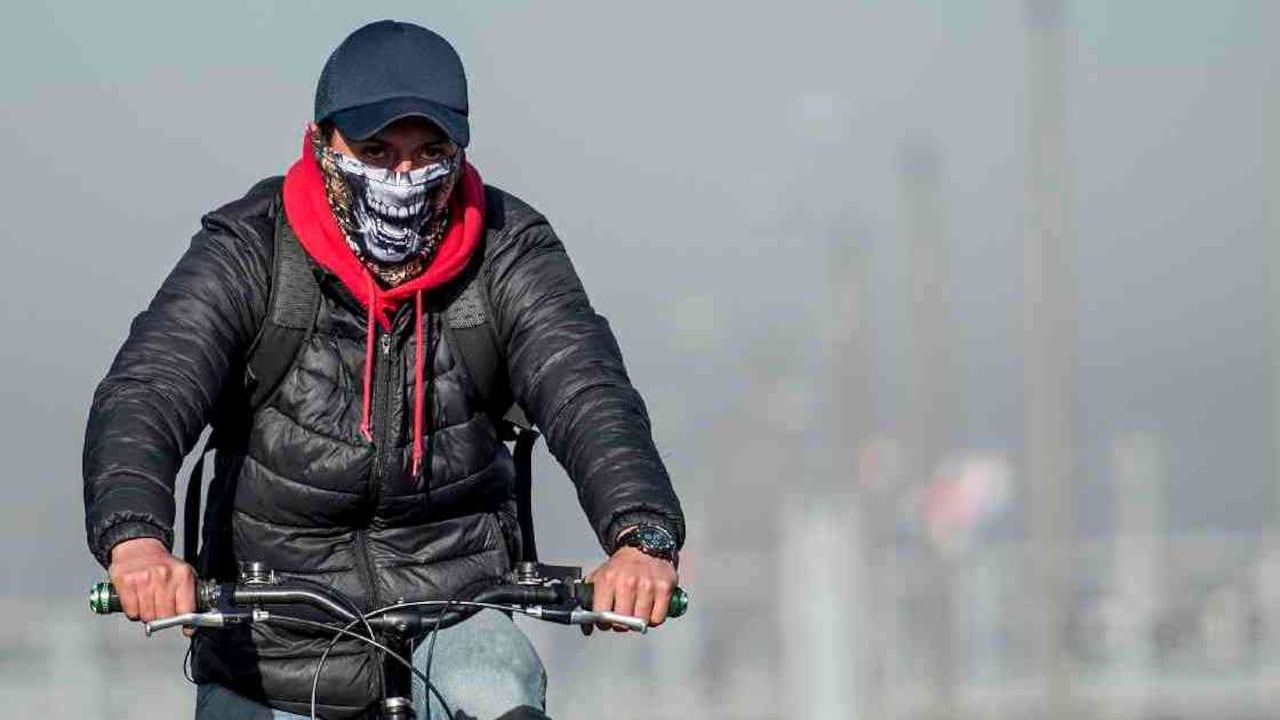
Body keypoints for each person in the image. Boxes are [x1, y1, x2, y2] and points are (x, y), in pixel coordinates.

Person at [82, 19, 685, 720]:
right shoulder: (248, 248)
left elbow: (586, 390)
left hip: (456, 612)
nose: (403, 178)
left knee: (497, 687)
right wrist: (138, 542)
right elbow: (149, 390)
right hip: (272, 637)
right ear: (321, 144)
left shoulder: (508, 248)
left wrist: (641, 538)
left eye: (429, 153)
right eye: (375, 151)